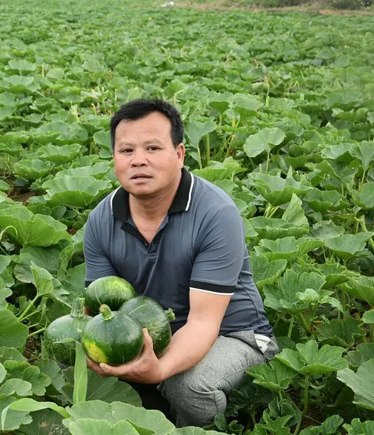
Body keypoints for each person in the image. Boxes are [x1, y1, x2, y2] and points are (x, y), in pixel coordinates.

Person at [83, 99, 279, 427]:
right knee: (79, 364)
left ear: (179, 154)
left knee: (187, 386)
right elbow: (103, 309)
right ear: (114, 158)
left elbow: (203, 323)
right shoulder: (101, 220)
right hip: (154, 334)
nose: (138, 160)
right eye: (126, 150)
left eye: (152, 148)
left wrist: (158, 369)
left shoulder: (216, 213)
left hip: (234, 334)